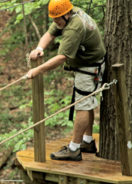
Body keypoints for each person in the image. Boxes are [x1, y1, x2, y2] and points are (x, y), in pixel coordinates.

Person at [26, 0, 106, 161]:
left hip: (90, 67)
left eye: (58, 20)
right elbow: (50, 33)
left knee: (82, 105)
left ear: (66, 14)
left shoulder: (74, 27)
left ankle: (74, 149)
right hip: (90, 64)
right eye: (54, 19)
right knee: (86, 102)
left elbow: (62, 57)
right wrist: (39, 49)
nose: (56, 22)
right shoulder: (67, 14)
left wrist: (37, 70)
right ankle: (87, 141)